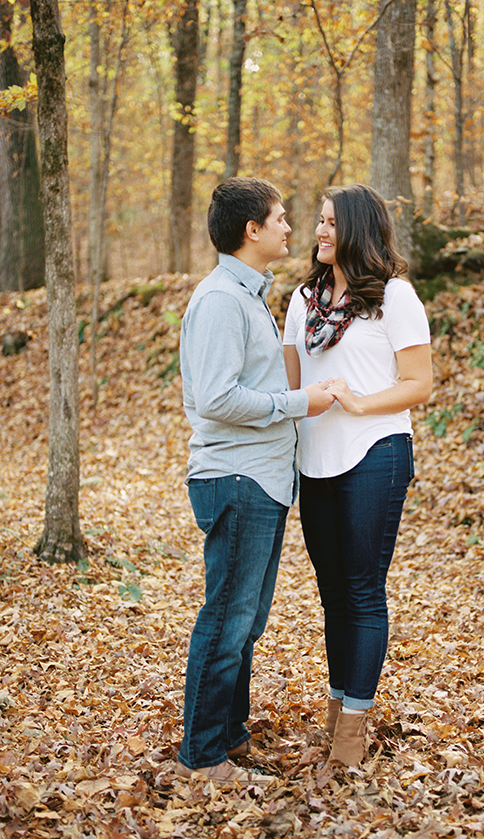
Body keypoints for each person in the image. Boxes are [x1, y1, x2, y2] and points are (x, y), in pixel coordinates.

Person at [176, 177, 334, 788]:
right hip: (236, 477)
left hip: (260, 480)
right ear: (252, 230)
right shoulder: (220, 299)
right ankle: (203, 757)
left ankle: (227, 737)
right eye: (281, 217)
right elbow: (214, 398)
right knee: (227, 618)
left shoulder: (247, 296)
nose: (291, 227)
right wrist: (298, 403)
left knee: (247, 619)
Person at [283, 183, 432, 769]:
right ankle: (340, 701)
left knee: (364, 590)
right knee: (332, 594)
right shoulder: (303, 301)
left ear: (359, 231)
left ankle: (351, 732)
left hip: (376, 450)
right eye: (318, 222)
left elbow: (419, 384)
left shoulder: (395, 297)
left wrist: (358, 403)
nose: (320, 232)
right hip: (315, 457)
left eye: (330, 223)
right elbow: (294, 387)